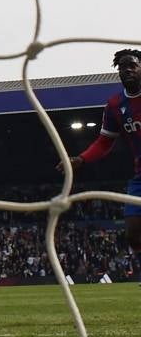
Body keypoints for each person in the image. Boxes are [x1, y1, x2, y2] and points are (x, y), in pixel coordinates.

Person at [58, 48, 141, 281]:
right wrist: (80, 159)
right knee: (134, 232)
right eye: (122, 67)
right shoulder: (116, 105)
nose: (127, 70)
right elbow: (105, 142)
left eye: (132, 65)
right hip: (140, 177)